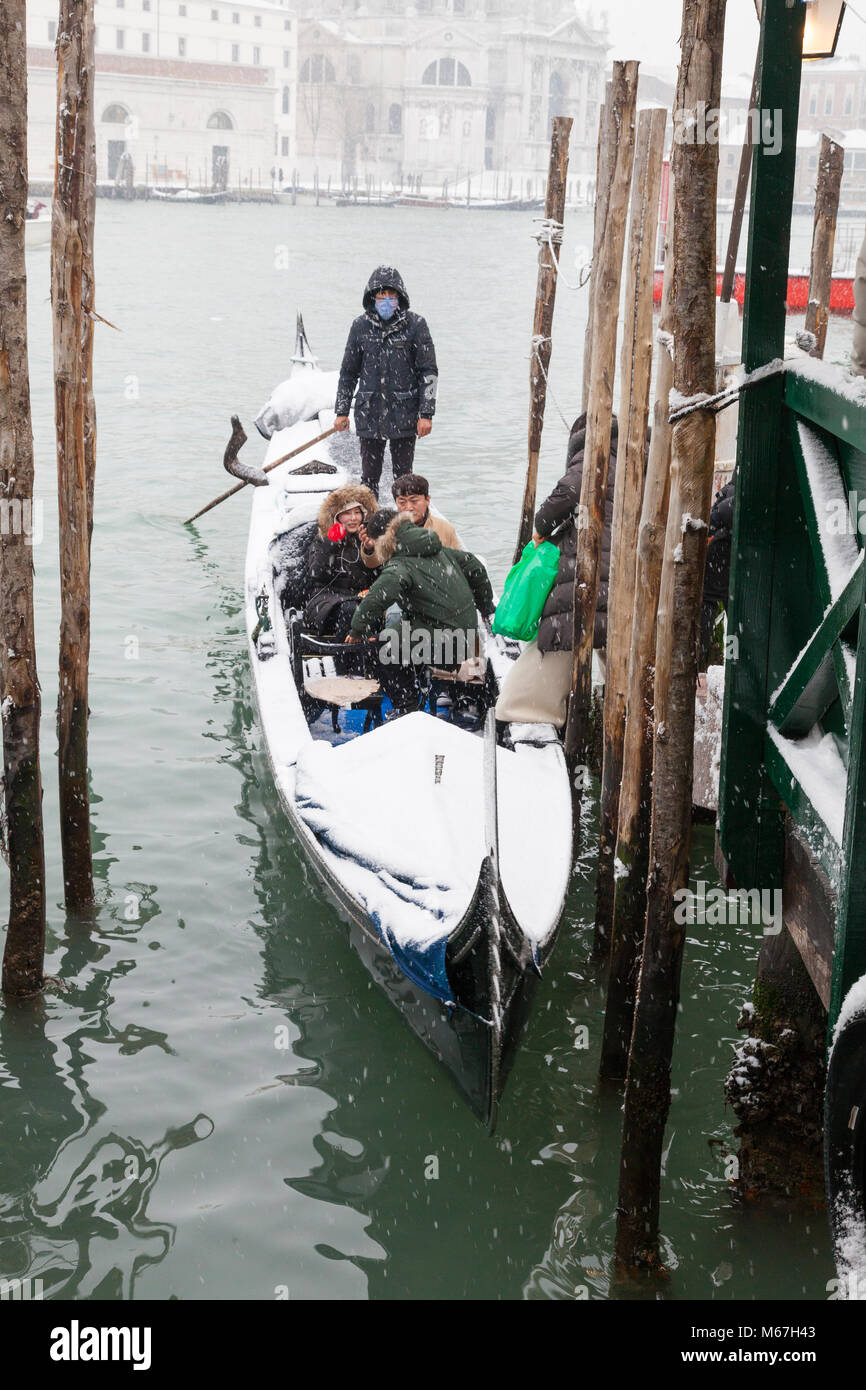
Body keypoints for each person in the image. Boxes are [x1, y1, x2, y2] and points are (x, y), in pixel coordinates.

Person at [494, 413, 619, 728]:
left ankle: (528, 710)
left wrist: (541, 528)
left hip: (589, 573)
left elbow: (559, 501)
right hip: (624, 573)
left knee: (562, 632)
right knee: (614, 643)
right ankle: (620, 708)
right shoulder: (636, 462)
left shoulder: (592, 461)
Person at [347, 509, 494, 719]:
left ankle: (407, 708)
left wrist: (357, 629)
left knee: (381, 648)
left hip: (447, 643)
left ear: (383, 541)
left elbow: (377, 597)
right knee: (400, 631)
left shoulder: (400, 564)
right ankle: (419, 689)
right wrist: (486, 606)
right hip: (468, 636)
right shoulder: (438, 549)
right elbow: (475, 566)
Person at [333, 265, 438, 498]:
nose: (387, 300)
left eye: (391, 295)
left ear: (400, 297)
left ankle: (404, 525)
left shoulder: (416, 325)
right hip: (369, 412)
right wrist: (341, 411)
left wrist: (426, 414)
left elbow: (428, 372)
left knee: (403, 478)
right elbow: (348, 373)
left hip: (405, 414)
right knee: (369, 478)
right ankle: (367, 526)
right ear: (373, 297)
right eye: (382, 295)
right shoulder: (360, 327)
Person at [303, 483, 379, 640]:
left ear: (364, 515)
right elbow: (316, 574)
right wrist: (330, 542)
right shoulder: (322, 538)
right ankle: (344, 659)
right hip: (327, 599)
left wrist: (370, 549)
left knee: (371, 608)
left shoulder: (371, 537)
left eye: (357, 512)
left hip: (362, 596)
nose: (353, 518)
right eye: (347, 513)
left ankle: (372, 656)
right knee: (350, 609)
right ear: (337, 516)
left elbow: (382, 572)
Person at [359, 472, 460, 570]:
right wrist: (370, 548)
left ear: (427, 500)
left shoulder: (444, 528)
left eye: (414, 501)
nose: (409, 507)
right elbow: (373, 564)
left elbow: (458, 564)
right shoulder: (387, 526)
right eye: (402, 502)